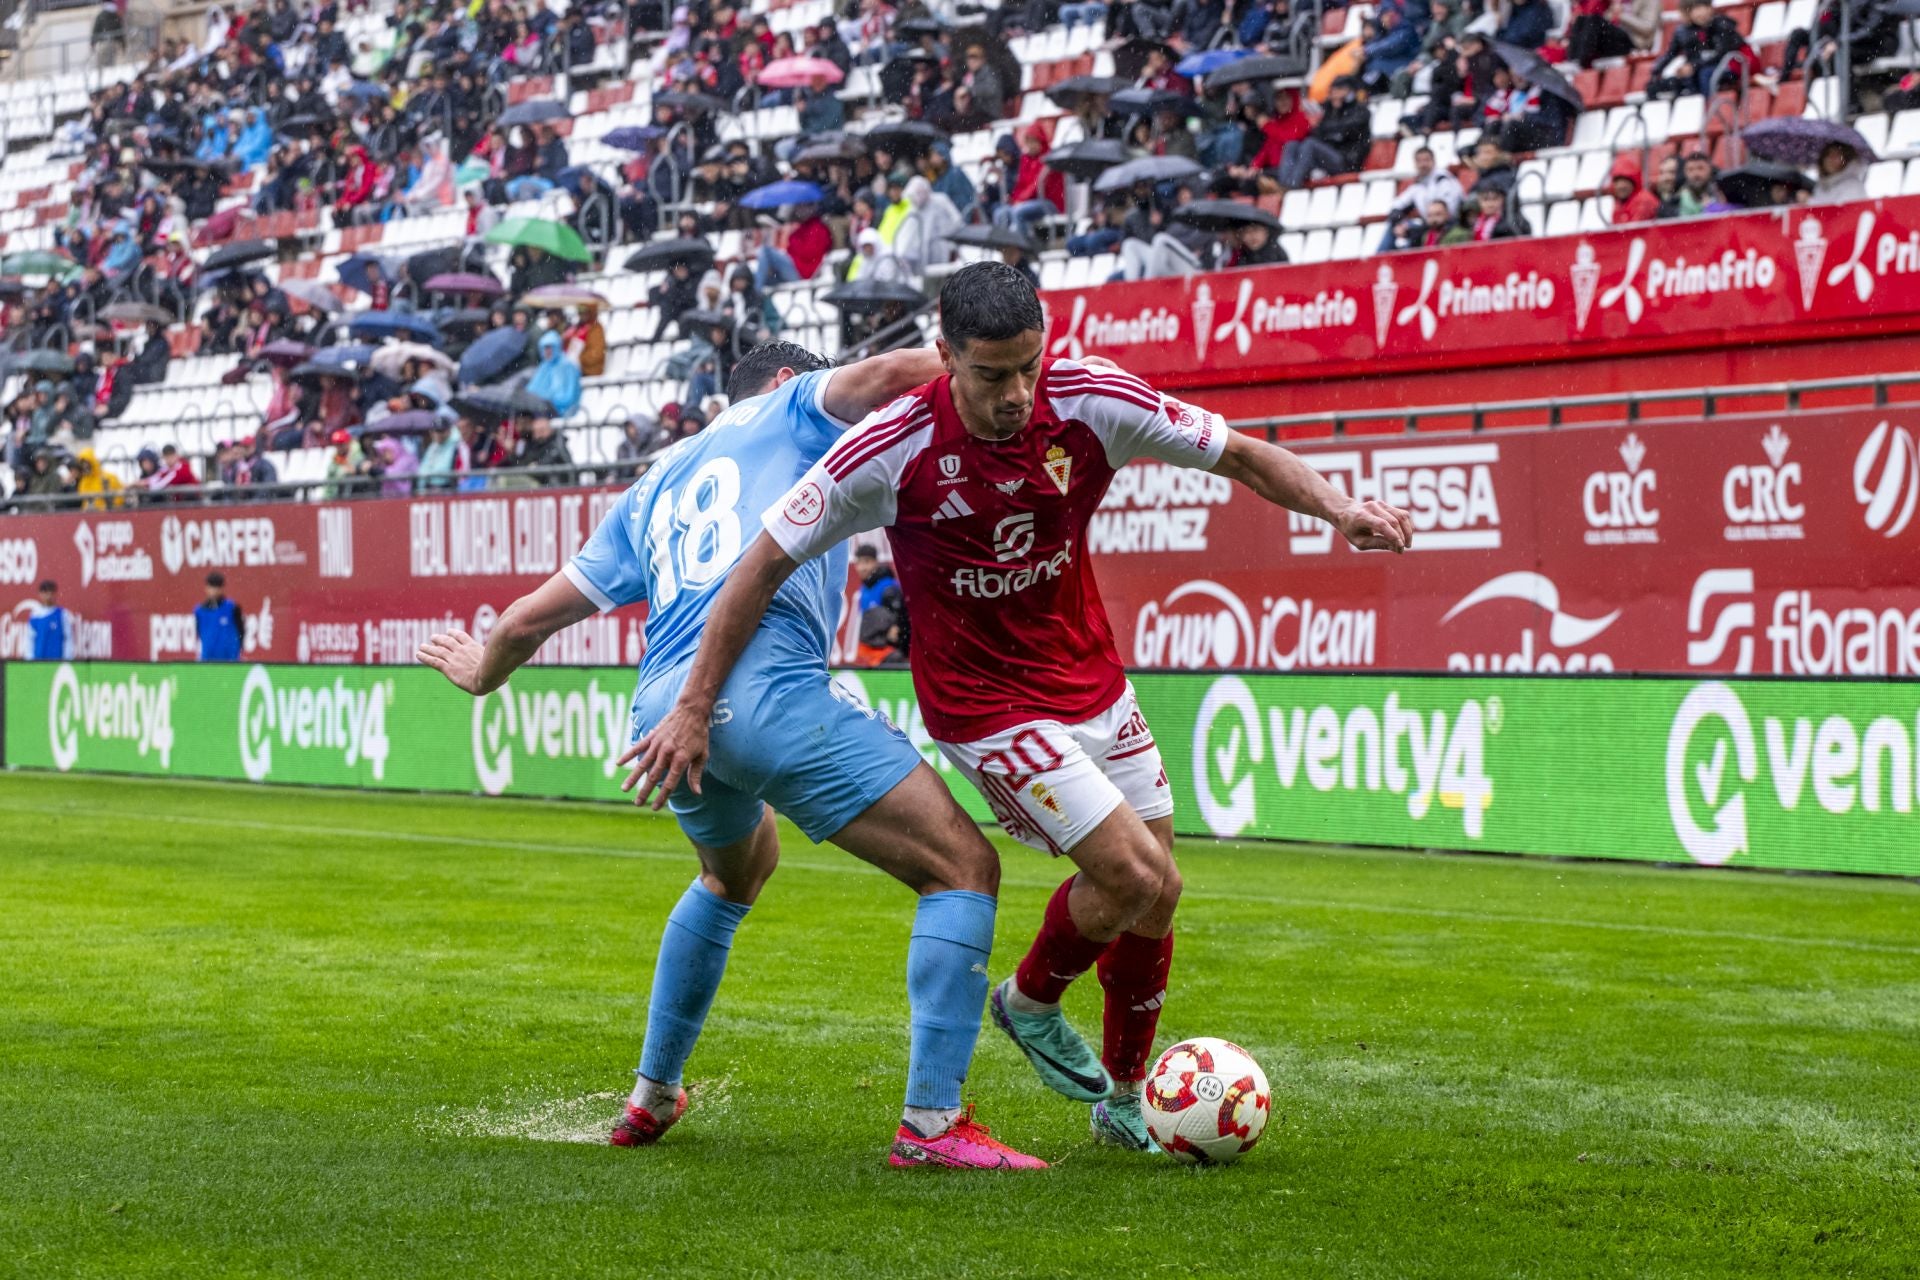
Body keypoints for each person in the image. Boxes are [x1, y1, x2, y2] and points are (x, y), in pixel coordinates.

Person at [626, 264, 1414, 1152]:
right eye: (992, 374)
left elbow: (1241, 454)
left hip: (1088, 677)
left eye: (1029, 368)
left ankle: (1122, 1099)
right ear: (945, 357)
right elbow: (758, 564)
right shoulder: (884, 449)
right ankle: (1030, 1002)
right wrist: (695, 703)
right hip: (983, 703)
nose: (1016, 394)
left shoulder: (1090, 399)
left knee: (1160, 895)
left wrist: (1339, 507)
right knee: (1132, 877)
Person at [416, 340, 1048, 1170]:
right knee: (963, 868)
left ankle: (651, 1095)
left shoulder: (653, 482)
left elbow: (526, 621)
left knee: (733, 872)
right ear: (788, 381)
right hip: (754, 693)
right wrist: (995, 375)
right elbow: (899, 374)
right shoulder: (792, 408)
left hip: (660, 711)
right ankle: (932, 1126)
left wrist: (481, 675)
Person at [1276, 77, 1371, 189]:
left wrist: (1328, 129)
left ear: (1349, 92)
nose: (1334, 95)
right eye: (1332, 92)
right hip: (1329, 156)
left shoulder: (1360, 111)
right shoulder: (1329, 111)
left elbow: (1345, 130)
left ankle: (1292, 186)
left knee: (1310, 144)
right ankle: (1283, 185)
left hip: (1347, 161)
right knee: (1292, 145)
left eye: (1338, 91)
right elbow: (1320, 133)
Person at [1378, 146, 1463, 251]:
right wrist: (1399, 223)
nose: (1423, 164)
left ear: (1433, 161)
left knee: (1413, 232)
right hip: (1429, 223)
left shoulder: (1443, 180)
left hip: (1449, 224)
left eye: (1426, 160)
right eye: (1419, 161)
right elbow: (1396, 206)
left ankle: (1408, 262)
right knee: (1394, 227)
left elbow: (1447, 212)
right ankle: (1379, 260)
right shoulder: (1417, 186)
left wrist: (1409, 227)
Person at [526, 330, 583, 417]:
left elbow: (569, 396)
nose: (547, 351)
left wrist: (547, 400)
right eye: (544, 348)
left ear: (556, 347)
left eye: (549, 347)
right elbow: (532, 389)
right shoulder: (544, 366)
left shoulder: (567, 365)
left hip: (560, 411)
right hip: (542, 409)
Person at [195, 572, 244, 662]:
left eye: (217, 587)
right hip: (207, 660)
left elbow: (241, 631)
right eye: (212, 587)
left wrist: (236, 652)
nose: (214, 590)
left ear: (222, 588)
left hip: (230, 660)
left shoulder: (232, 608)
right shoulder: (199, 611)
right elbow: (199, 632)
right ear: (206, 588)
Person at [1658, 151, 1717, 218]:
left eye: (1700, 168)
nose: (1695, 174)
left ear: (1710, 169)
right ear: (1684, 172)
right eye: (1690, 169)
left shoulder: (1723, 194)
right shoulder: (1674, 201)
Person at [28, 580, 73, 660]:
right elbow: (29, 640)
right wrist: (29, 660)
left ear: (55, 594)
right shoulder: (35, 616)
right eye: (45, 593)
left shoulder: (62, 615)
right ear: (40, 594)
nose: (49, 596)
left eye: (51, 593)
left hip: (56, 662)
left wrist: (67, 659)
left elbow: (68, 638)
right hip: (38, 662)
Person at [1609, 156, 1661, 224]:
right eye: (1617, 182)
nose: (1620, 186)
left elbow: (1634, 230)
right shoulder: (1621, 204)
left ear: (1634, 182)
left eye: (1625, 181)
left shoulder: (1644, 200)